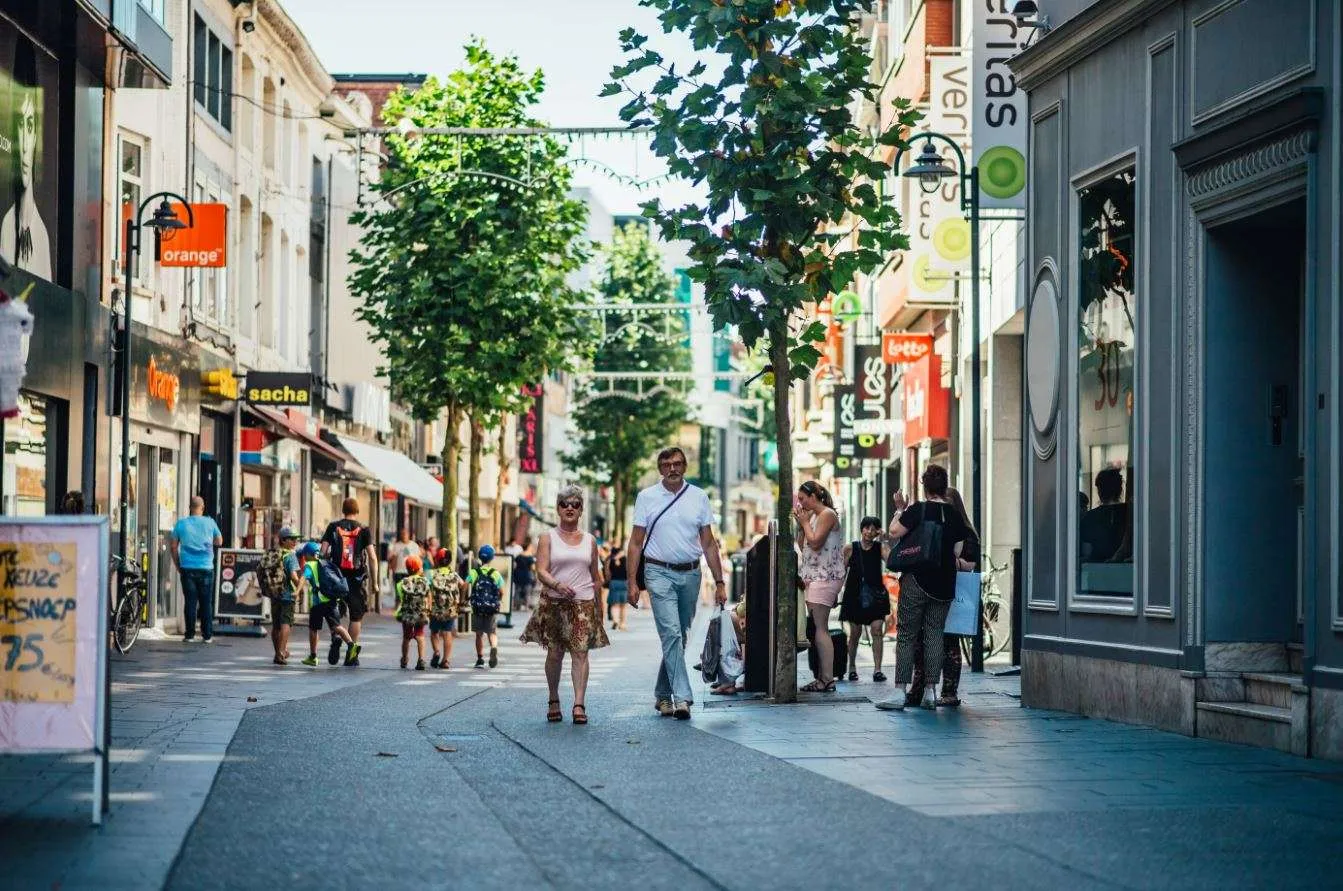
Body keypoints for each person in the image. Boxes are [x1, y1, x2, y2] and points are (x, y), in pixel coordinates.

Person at [628, 446, 728, 720]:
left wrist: (719, 581)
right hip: (658, 573)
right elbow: (636, 543)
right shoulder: (646, 497)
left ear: (685, 467)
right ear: (660, 469)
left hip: (691, 574)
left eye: (678, 463)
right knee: (671, 634)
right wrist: (631, 583)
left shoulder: (699, 497)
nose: (672, 468)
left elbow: (708, 543)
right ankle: (682, 697)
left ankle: (662, 694)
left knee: (680, 636)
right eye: (667, 464)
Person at [876, 464, 967, 711]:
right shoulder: (954, 516)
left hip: (917, 578)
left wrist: (899, 510)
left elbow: (894, 532)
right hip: (945, 581)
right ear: (944, 485)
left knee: (906, 634)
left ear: (923, 485)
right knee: (935, 633)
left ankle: (899, 692)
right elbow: (957, 551)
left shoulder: (918, 510)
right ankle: (930, 692)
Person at [521, 485, 610, 724]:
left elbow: (595, 577)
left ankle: (579, 704)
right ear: (558, 509)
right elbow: (540, 570)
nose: (570, 508)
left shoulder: (590, 541)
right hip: (555, 602)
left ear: (581, 510)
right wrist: (557, 585)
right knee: (555, 653)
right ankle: (553, 698)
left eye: (575, 504)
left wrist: (600, 609)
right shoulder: (547, 538)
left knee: (581, 654)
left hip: (583, 603)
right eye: (565, 504)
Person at [908, 487, 980, 708]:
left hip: (952, 592)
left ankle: (949, 691)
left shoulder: (966, 534)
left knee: (949, 642)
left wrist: (949, 560)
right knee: (921, 643)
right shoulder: (928, 527)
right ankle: (918, 689)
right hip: (929, 590)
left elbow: (971, 565)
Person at [1, 37, 52, 281]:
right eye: (17, 124)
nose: (23, 140)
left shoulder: (41, 237)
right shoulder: (5, 226)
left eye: (29, 124)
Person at [795, 480, 844, 693]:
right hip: (814, 577)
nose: (801, 504)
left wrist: (805, 524)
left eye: (803, 499)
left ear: (814, 496)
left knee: (820, 628)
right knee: (816, 627)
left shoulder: (827, 515)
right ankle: (823, 677)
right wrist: (801, 525)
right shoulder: (813, 516)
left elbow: (815, 542)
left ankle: (826, 678)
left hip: (825, 577)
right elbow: (803, 544)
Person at [320, 498, 378, 667]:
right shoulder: (364, 529)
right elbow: (373, 557)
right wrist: (375, 583)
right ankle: (351, 654)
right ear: (357, 510)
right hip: (356, 578)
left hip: (335, 576)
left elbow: (322, 552)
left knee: (334, 611)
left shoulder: (333, 527)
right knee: (356, 616)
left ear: (343, 510)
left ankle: (336, 636)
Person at [839, 516, 890, 682]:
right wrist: (835, 593)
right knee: (855, 633)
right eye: (867, 527)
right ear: (861, 529)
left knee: (877, 630)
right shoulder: (850, 548)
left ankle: (877, 670)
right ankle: (852, 667)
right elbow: (840, 572)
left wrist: (885, 540)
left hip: (875, 596)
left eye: (874, 528)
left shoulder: (880, 547)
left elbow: (891, 562)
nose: (869, 531)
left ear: (877, 531)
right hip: (854, 595)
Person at [297, 541, 359, 667]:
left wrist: (297, 591)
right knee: (337, 626)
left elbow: (303, 578)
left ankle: (313, 656)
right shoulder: (327, 564)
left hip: (318, 602)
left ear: (308, 555)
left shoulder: (310, 565)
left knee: (313, 629)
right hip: (332, 600)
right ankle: (352, 645)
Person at [171, 496, 223, 643]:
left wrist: (178, 565)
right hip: (206, 567)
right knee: (206, 603)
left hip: (187, 567)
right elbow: (219, 541)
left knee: (190, 602)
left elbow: (173, 546)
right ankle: (207, 636)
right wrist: (207, 543)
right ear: (202, 507)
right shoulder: (210, 522)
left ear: (190, 507)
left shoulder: (181, 524)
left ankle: (190, 635)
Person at [467, 545, 505, 669]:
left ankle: (480, 659)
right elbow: (501, 591)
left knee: (479, 634)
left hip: (477, 607)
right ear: (491, 558)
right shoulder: (495, 573)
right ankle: (493, 647)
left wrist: (463, 598)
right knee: (492, 632)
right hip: (491, 608)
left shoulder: (474, 572)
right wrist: (498, 600)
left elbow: (464, 585)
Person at [1079, 467, 1128, 563]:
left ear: (1099, 490)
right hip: (1128, 572)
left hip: (1097, 572)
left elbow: (1087, 553)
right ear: (1120, 488)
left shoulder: (1090, 518)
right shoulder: (1131, 513)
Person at [428, 548, 464, 670]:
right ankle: (446, 660)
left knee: (434, 632)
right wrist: (459, 599)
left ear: (437, 560)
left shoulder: (432, 574)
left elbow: (427, 589)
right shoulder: (454, 574)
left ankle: (437, 651)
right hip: (450, 608)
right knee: (447, 633)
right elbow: (462, 584)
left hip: (435, 608)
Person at [271, 527, 301, 666]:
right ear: (283, 540)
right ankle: (281, 653)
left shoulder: (273, 553)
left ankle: (278, 652)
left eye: (296, 538)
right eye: (292, 539)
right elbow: (294, 577)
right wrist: (300, 587)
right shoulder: (290, 555)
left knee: (276, 625)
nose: (295, 541)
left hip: (274, 594)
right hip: (287, 595)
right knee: (286, 623)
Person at [395, 556, 430, 670]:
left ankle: (404, 659)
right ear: (419, 568)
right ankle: (421, 660)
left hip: (407, 614)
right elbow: (428, 596)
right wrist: (428, 609)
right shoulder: (425, 582)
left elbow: (401, 598)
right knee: (420, 636)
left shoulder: (401, 583)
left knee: (406, 637)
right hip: (420, 613)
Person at [606, 544, 629, 631]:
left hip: (614, 582)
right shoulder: (626, 559)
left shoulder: (610, 560)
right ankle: (622, 624)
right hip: (624, 583)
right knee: (623, 605)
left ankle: (615, 620)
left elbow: (608, 573)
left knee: (614, 604)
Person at [512, 538, 537, 611]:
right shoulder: (530, 557)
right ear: (528, 547)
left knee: (517, 591)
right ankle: (526, 607)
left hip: (518, 575)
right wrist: (535, 575)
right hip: (527, 576)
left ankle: (516, 606)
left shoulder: (518, 556)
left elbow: (515, 566)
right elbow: (533, 568)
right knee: (527, 592)